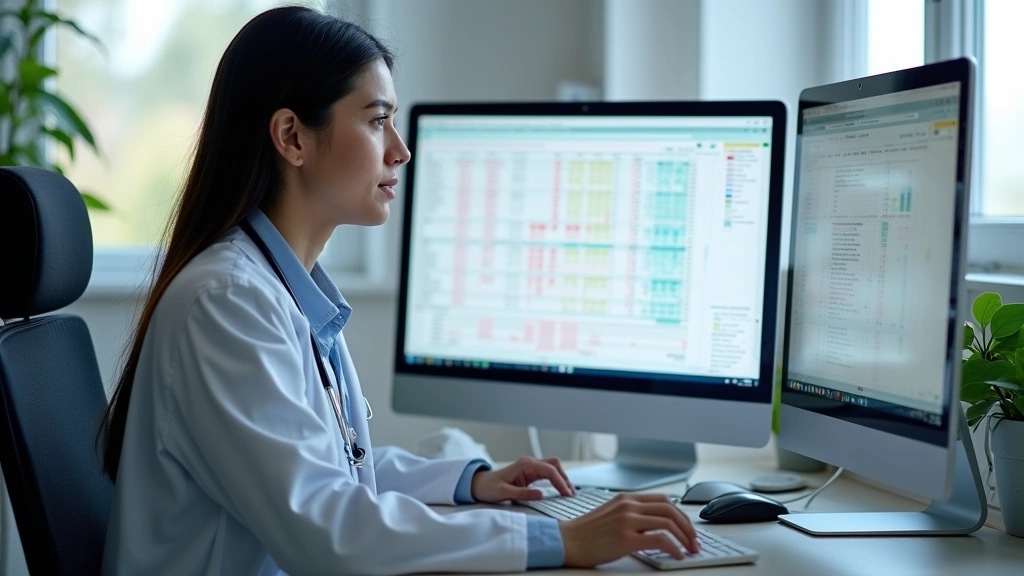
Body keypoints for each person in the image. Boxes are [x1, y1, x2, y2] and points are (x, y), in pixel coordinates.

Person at [98, 6, 698, 575]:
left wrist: (470, 480)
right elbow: (327, 529)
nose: (400, 151)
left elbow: (336, 473)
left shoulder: (279, 290)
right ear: (293, 138)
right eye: (377, 120)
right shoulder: (227, 304)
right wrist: (558, 539)